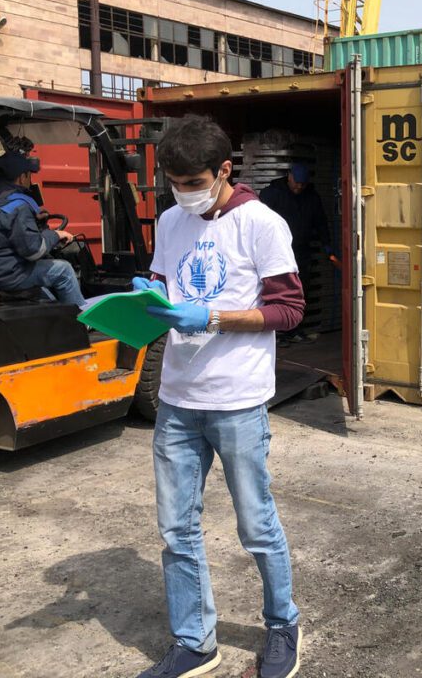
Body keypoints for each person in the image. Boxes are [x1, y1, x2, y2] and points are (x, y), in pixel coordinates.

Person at [134, 115, 306, 678]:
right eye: (173, 182)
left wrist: (211, 316)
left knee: (256, 524)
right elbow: (167, 285)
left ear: (224, 170)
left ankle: (283, 624)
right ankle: (195, 641)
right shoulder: (169, 220)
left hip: (237, 399)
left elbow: (288, 310)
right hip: (178, 399)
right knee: (175, 528)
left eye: (193, 182)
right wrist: (150, 295)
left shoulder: (261, 223)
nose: (182, 192)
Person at [0, 151, 82, 306]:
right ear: (22, 177)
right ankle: (82, 317)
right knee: (64, 270)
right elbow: (34, 251)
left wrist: (34, 223)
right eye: (29, 175)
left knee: (46, 280)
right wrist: (55, 235)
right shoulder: (18, 206)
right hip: (8, 275)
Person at [259, 162, 331, 343]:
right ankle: (275, 333)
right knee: (276, 290)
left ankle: (294, 330)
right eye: (296, 182)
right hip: (275, 252)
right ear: (289, 176)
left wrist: (327, 244)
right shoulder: (271, 194)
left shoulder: (311, 197)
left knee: (300, 290)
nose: (299, 187)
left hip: (301, 252)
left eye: (302, 184)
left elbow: (321, 222)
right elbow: (259, 221)